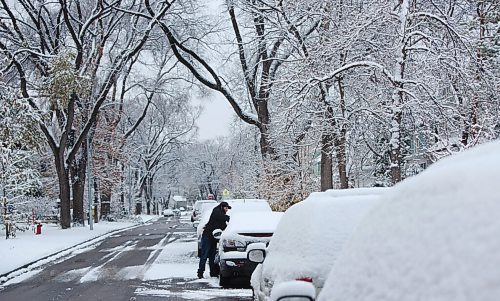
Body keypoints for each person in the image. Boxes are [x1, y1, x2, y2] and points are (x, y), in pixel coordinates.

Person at [197, 201, 231, 279]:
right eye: (226, 208)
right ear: (222, 207)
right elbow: (221, 217)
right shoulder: (216, 211)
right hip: (207, 236)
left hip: (213, 238)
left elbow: (224, 226)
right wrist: (230, 218)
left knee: (212, 256)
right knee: (204, 255)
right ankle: (200, 272)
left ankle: (213, 272)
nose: (227, 210)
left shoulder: (221, 215)